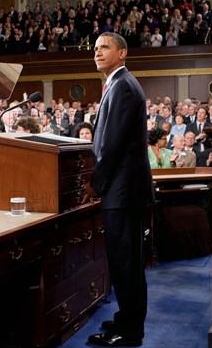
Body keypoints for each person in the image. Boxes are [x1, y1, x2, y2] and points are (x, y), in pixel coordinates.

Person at [86, 32, 153, 347]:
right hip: (121, 190)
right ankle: (126, 320)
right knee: (123, 263)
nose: (98, 52)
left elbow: (111, 144)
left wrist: (95, 184)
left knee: (126, 264)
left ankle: (130, 332)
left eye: (105, 47)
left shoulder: (123, 86)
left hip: (123, 191)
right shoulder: (117, 84)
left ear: (123, 53)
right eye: (96, 48)